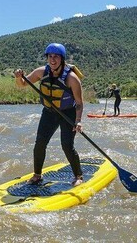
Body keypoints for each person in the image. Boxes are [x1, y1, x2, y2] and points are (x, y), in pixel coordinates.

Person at [14, 43, 84, 187]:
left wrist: (78, 121)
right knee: (40, 143)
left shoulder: (71, 78)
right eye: (50, 56)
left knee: (66, 145)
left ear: (62, 59)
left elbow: (79, 103)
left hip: (68, 113)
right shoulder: (41, 72)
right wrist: (18, 77)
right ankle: (37, 175)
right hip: (49, 112)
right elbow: (22, 84)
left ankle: (78, 176)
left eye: (56, 57)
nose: (52, 60)